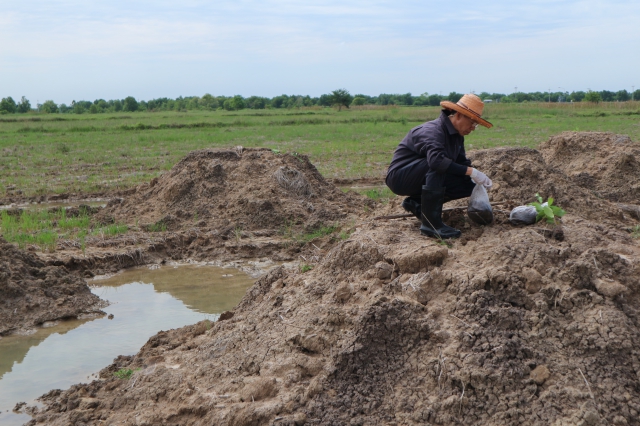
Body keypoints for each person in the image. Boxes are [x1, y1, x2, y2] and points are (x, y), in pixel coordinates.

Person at [385, 93, 493, 239]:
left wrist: (475, 179)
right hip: (400, 178)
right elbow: (436, 162)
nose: (473, 128)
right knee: (439, 164)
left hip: (422, 174)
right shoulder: (433, 130)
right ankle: (431, 225)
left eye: (476, 124)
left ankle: (417, 203)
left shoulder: (457, 136)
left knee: (467, 185)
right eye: (472, 122)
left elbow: (461, 162)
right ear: (459, 115)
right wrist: (471, 171)